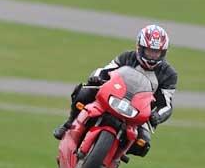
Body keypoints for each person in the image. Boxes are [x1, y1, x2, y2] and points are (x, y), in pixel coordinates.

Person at [52, 24, 178, 157]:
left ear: (163, 53)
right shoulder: (127, 57)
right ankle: (68, 124)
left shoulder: (169, 74)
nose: (152, 56)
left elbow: (166, 104)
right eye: (149, 51)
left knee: (142, 144)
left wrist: (157, 115)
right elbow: (106, 69)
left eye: (156, 52)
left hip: (139, 113)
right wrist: (97, 77)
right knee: (83, 92)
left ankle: (117, 154)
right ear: (140, 48)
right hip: (113, 96)